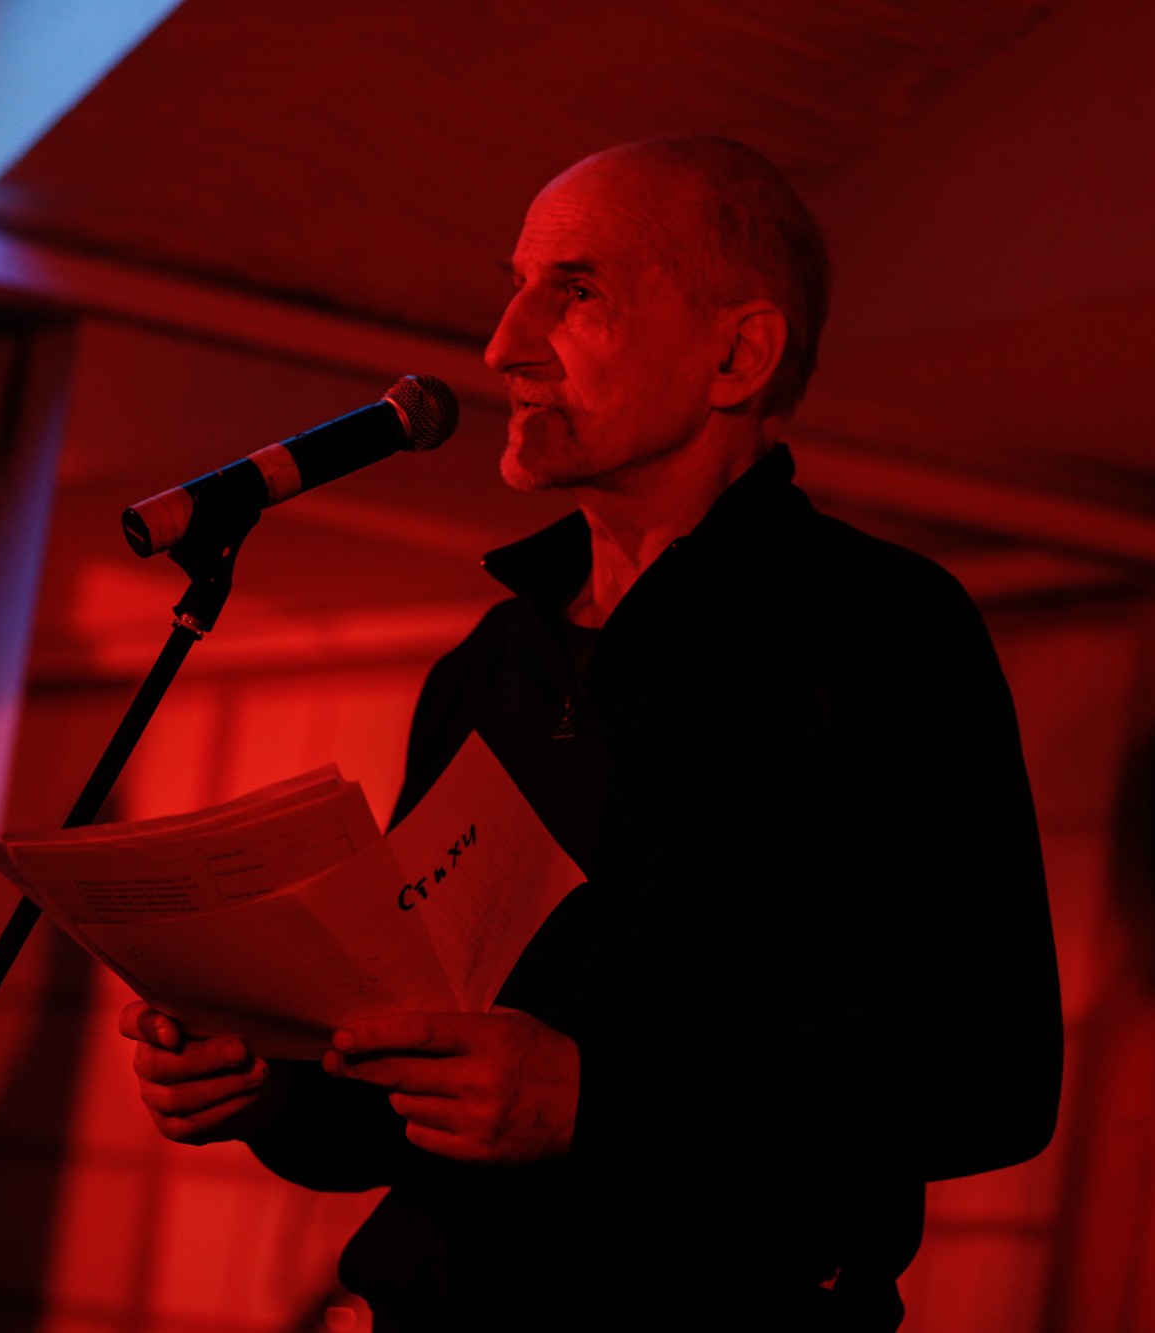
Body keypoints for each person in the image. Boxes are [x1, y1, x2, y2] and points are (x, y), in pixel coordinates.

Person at [117, 136, 1063, 1330]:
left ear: (735, 354)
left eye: (574, 292)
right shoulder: (487, 666)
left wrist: (591, 1098)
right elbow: (406, 1098)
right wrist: (266, 1087)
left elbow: (986, 1073)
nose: (502, 344)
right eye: (514, 286)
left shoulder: (878, 629)